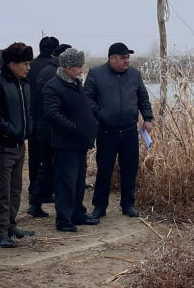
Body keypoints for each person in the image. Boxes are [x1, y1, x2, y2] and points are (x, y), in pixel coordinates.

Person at [85, 42, 154, 218]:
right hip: (106, 132)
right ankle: (100, 207)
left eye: (128, 57)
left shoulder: (134, 74)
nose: (127, 61)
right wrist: (100, 114)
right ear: (112, 59)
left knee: (130, 169)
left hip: (129, 131)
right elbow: (87, 98)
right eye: (123, 58)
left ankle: (128, 205)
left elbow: (143, 97)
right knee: (104, 170)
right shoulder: (96, 74)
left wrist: (148, 118)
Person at [43, 47, 99, 232]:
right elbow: (52, 114)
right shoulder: (54, 86)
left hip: (80, 142)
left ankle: (77, 213)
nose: (82, 70)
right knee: (66, 182)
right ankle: (64, 219)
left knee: (78, 180)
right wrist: (74, 128)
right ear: (67, 68)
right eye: (78, 66)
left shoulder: (75, 83)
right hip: (66, 143)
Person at [0, 42, 37, 247]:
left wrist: (27, 129)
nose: (28, 68)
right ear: (12, 64)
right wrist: (9, 129)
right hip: (2, 146)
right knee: (2, 191)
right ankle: (0, 231)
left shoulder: (24, 84)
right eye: (25, 64)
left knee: (15, 189)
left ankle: (11, 224)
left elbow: (28, 112)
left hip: (19, 144)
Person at [26, 36, 61, 217]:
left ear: (39, 48)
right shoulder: (55, 70)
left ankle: (34, 189)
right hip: (50, 121)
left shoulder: (30, 66)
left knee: (35, 158)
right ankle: (46, 192)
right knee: (50, 160)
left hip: (33, 117)